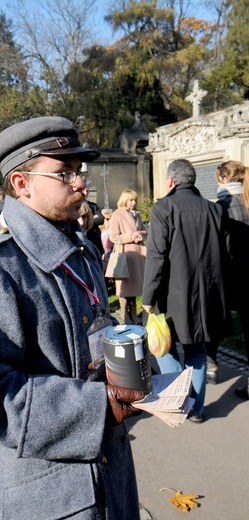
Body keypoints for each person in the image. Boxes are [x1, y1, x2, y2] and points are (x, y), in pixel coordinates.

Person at [0, 116, 145, 520]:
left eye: (78, 171)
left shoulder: (82, 249)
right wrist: (95, 405)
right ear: (22, 184)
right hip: (44, 494)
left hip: (111, 474)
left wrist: (129, 366)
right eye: (63, 173)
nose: (80, 182)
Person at [142, 159, 230, 423]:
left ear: (171, 181)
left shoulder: (163, 208)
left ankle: (180, 399)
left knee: (165, 349)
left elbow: (156, 256)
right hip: (207, 292)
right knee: (197, 350)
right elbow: (225, 255)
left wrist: (148, 297)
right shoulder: (214, 210)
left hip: (172, 294)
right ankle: (197, 408)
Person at [207, 161, 249, 397]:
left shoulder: (220, 206)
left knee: (215, 319)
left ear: (222, 179)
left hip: (226, 274)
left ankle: (211, 364)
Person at [109, 189, 147, 325]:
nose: (133, 203)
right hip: (125, 255)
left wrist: (140, 235)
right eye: (130, 200)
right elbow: (113, 236)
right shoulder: (117, 214)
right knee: (125, 288)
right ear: (124, 200)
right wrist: (130, 236)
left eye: (135, 200)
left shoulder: (138, 215)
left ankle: (134, 314)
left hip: (137, 255)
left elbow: (144, 231)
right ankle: (125, 315)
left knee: (135, 287)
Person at [84, 187, 105, 255]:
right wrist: (93, 218)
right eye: (83, 191)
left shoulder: (93, 206)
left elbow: (101, 219)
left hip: (95, 240)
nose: (85, 193)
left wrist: (89, 220)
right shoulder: (76, 206)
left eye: (87, 191)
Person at [99, 208, 113, 273]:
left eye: (110, 219)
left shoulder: (112, 231)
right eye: (107, 219)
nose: (109, 221)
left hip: (110, 256)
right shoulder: (98, 231)